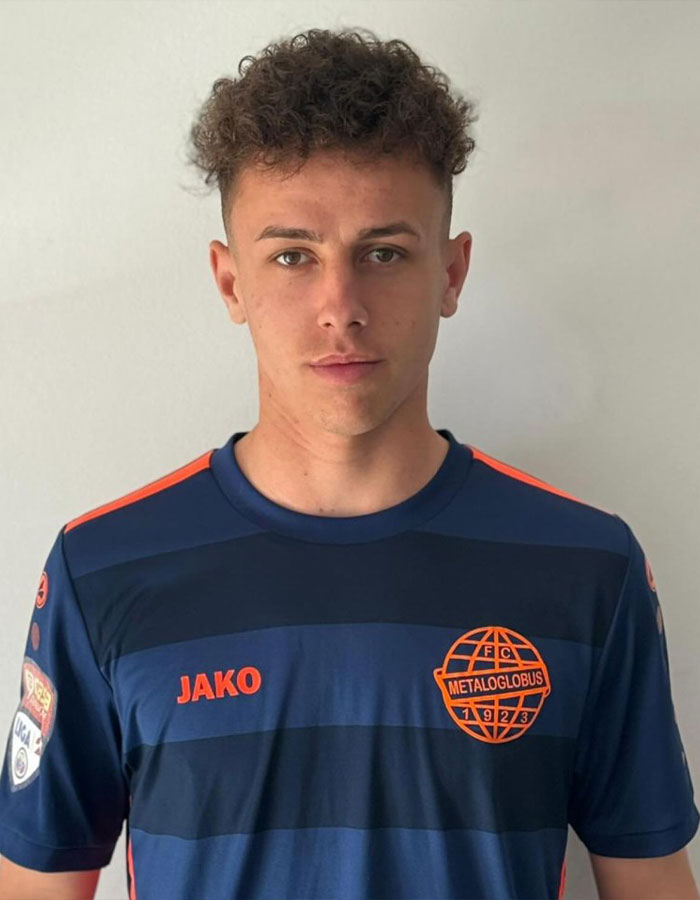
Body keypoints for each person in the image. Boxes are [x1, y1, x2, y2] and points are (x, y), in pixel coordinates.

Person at [0, 25, 698, 900]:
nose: (341, 306)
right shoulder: (102, 569)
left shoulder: (590, 567)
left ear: (451, 272)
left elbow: (651, 881)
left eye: (384, 253)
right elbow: (37, 885)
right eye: (293, 255)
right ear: (230, 283)